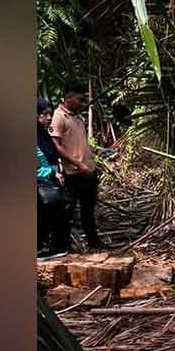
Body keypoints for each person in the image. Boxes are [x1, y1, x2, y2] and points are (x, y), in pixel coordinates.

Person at [50, 82, 105, 250]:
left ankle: (94, 243)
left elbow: (79, 142)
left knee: (88, 210)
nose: (82, 103)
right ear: (69, 98)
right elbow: (56, 146)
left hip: (87, 171)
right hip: (73, 173)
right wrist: (77, 163)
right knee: (68, 211)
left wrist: (94, 153)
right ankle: (62, 245)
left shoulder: (77, 117)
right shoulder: (59, 116)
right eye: (80, 99)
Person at [37, 98, 72, 257]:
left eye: (50, 114)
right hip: (40, 186)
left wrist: (59, 169)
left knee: (56, 215)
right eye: (45, 114)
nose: (49, 117)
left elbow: (51, 156)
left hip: (52, 184)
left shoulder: (43, 134)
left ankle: (55, 246)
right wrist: (51, 173)